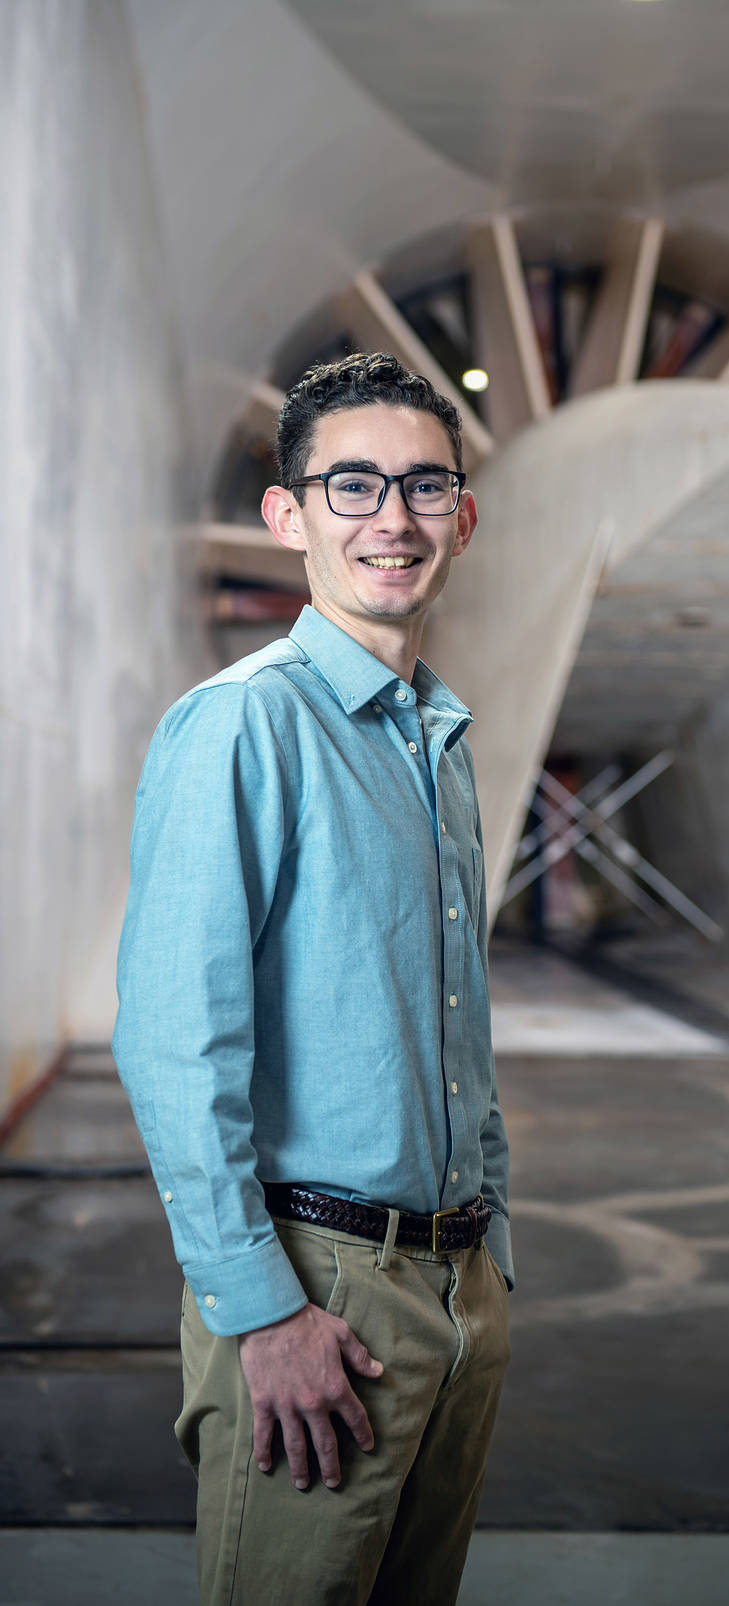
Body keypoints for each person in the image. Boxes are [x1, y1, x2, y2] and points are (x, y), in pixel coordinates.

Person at [113, 351, 512, 1606]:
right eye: (352, 485)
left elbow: (454, 1025)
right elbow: (177, 1042)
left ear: (463, 515)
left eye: (424, 486)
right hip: (319, 1294)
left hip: (455, 1287)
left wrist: (491, 1247)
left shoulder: (436, 744)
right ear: (289, 515)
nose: (392, 518)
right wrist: (262, 1311)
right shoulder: (245, 724)